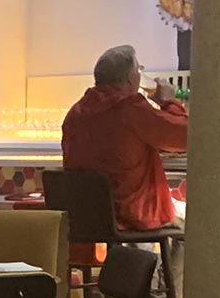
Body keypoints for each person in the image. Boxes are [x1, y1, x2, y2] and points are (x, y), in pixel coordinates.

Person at [61, 44, 188, 232]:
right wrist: (169, 101)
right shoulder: (130, 108)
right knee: (190, 221)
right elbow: (185, 136)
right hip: (133, 214)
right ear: (131, 78)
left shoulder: (75, 112)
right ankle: (150, 253)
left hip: (86, 215)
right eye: (139, 70)